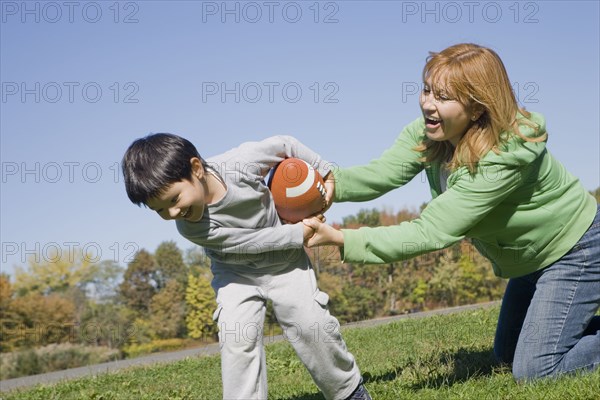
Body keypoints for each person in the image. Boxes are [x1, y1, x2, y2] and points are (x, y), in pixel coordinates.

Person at [303, 43, 599, 381]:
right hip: (530, 259)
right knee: (507, 354)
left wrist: (341, 239)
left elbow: (430, 231)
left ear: (476, 109)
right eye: (427, 90)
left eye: (443, 97)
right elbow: (383, 172)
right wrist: (327, 186)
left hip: (576, 251)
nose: (428, 103)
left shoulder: (503, 158)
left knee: (535, 371)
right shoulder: (432, 134)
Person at [122, 134, 371, 400]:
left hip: (284, 262)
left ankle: (347, 391)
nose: (171, 214)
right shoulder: (190, 227)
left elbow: (286, 144)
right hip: (236, 275)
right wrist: (300, 234)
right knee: (237, 340)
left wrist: (324, 171)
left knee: (310, 325)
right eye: (159, 210)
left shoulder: (240, 164)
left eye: (173, 200)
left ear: (196, 169)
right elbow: (250, 243)